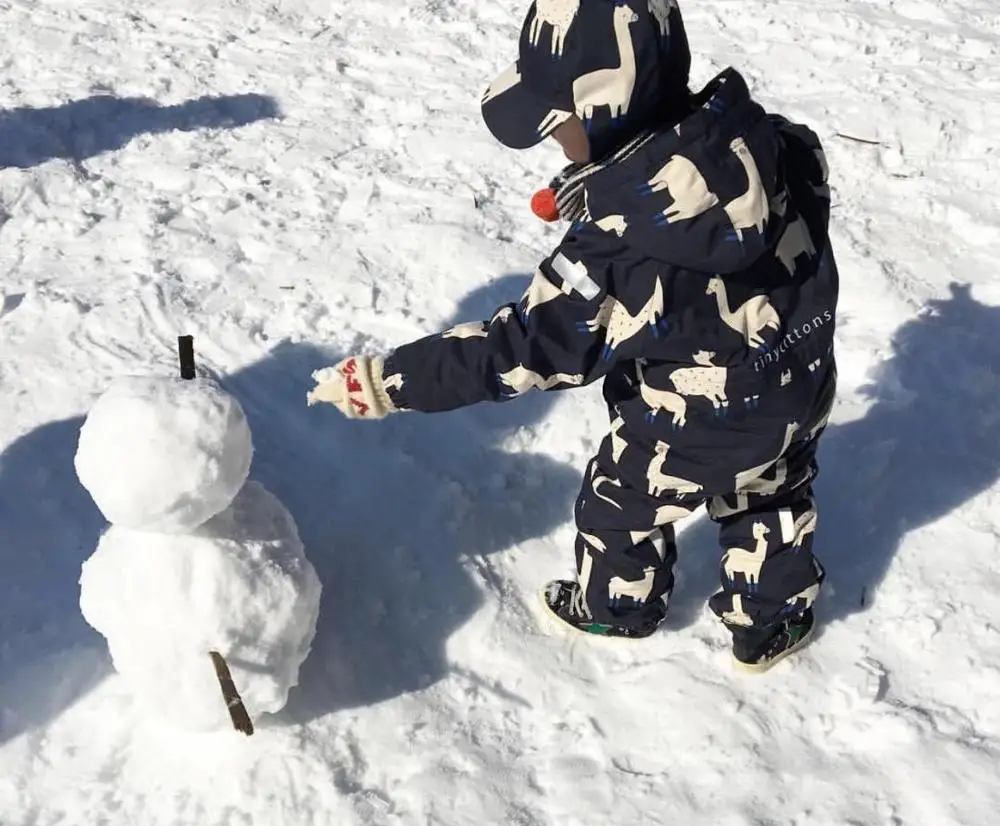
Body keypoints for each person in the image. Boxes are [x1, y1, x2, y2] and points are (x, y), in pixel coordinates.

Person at [308, 0, 837, 672]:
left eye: (558, 124)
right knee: (772, 492)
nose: (555, 140)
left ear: (606, 109)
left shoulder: (613, 256)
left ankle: (617, 607)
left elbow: (526, 349)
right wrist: (616, 184)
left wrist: (389, 381)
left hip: (687, 420)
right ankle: (774, 620)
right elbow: (721, 215)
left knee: (619, 505)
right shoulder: (783, 147)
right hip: (799, 383)